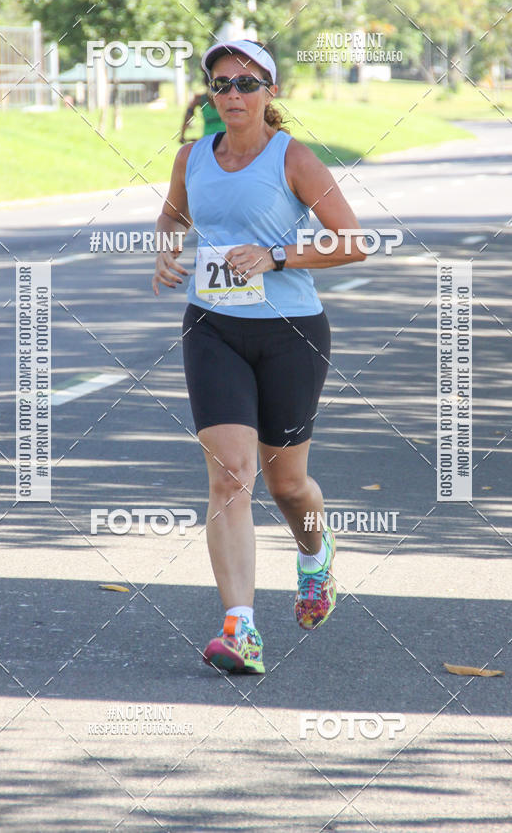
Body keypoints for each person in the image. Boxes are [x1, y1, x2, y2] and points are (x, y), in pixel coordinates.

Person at [153, 39, 365, 675]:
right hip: (212, 328)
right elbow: (171, 217)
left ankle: (313, 553)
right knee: (230, 476)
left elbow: (354, 241)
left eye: (246, 84)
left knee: (287, 483)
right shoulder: (193, 157)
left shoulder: (292, 158)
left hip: (291, 333)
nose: (233, 96)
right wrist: (166, 249)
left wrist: (276, 256)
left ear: (271, 93)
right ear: (209, 95)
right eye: (221, 85)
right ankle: (240, 629)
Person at [179, 74, 225, 142]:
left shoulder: (200, 99)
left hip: (212, 140)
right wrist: (182, 135)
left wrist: (182, 135)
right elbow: (188, 115)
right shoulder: (200, 99)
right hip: (215, 140)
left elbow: (188, 116)